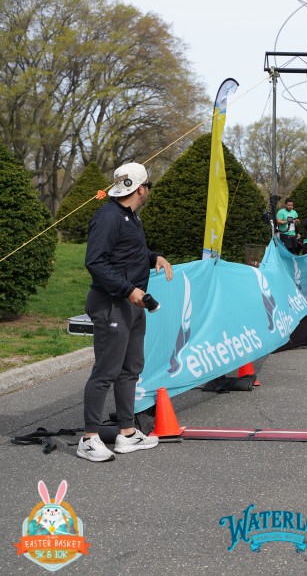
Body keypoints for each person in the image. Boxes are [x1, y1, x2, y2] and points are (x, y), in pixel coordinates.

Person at [79, 162, 171, 462]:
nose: (148, 191)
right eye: (148, 186)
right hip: (112, 303)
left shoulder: (130, 217)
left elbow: (130, 252)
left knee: (131, 368)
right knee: (106, 371)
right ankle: (89, 439)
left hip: (131, 303)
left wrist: (155, 257)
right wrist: (129, 290)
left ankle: (127, 433)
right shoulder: (108, 217)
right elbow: (95, 262)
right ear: (140, 189)